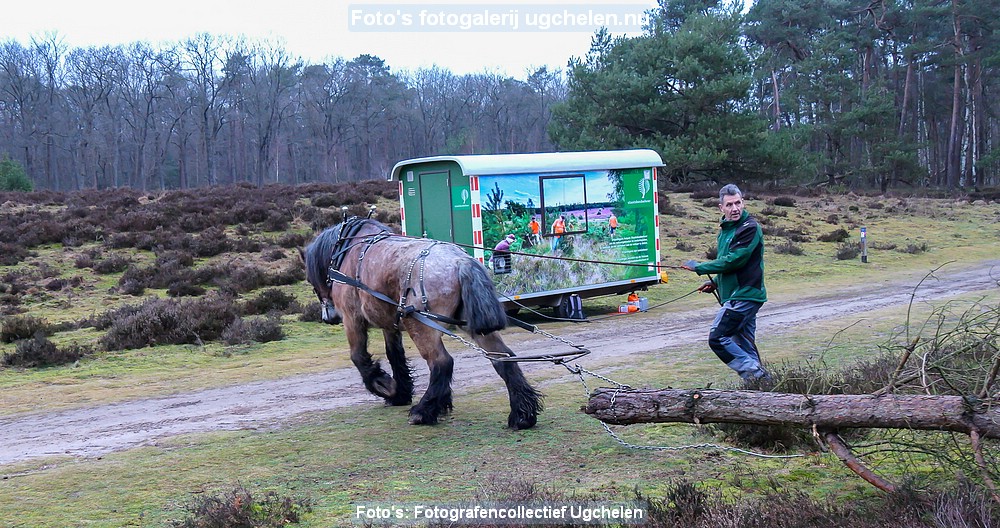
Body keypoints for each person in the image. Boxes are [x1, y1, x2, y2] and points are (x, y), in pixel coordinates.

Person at [682, 184, 768, 381]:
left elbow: (736, 260)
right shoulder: (725, 231)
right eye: (729, 205)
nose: (735, 208)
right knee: (744, 344)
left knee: (718, 338)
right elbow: (729, 265)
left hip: (745, 294)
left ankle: (759, 377)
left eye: (738, 203)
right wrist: (716, 284)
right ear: (721, 208)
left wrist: (700, 267)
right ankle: (761, 389)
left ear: (743, 203)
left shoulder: (750, 228)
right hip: (735, 294)